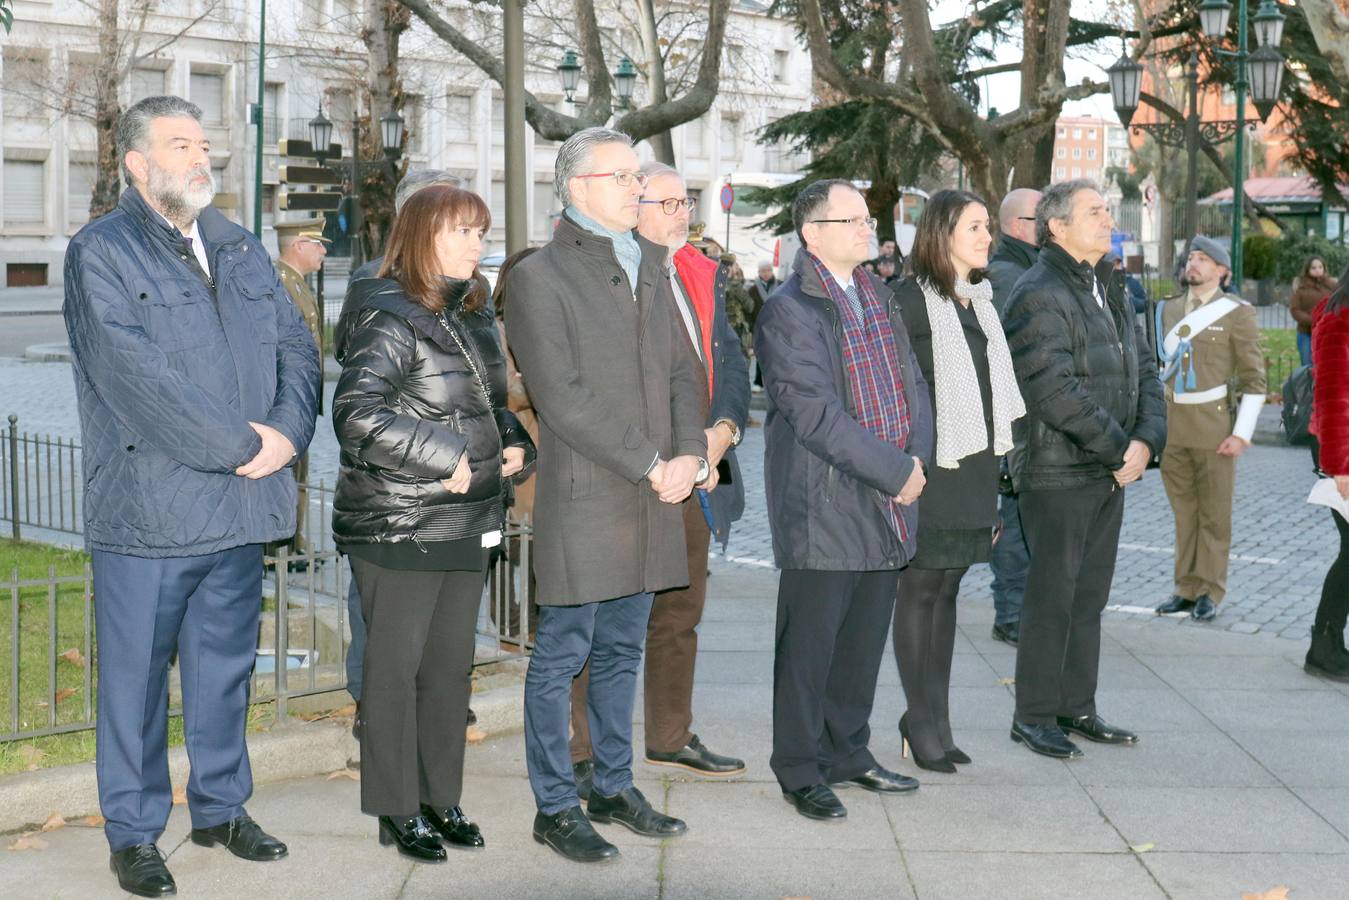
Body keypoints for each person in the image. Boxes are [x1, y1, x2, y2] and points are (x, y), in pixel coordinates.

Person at [62, 95, 319, 897]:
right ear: (139, 164)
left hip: (239, 512)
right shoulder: (99, 252)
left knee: (224, 673)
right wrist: (249, 447)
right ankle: (134, 833)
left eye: (204, 142)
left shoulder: (238, 247)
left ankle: (220, 809)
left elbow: (297, 349)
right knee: (135, 685)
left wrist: (288, 432)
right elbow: (137, 381)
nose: (201, 155)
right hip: (149, 513)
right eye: (182, 143)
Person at [504, 128, 708, 863]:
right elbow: (560, 398)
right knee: (562, 653)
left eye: (634, 176)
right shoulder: (540, 276)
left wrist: (688, 454)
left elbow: (685, 374)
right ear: (577, 188)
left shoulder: (653, 265)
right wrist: (651, 463)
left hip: (655, 491)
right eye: (620, 176)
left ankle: (613, 785)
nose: (636, 187)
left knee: (623, 648)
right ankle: (554, 804)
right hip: (592, 495)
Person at [332, 185, 535, 862]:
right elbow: (356, 414)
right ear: (420, 236)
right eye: (460, 232)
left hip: (470, 517)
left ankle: (439, 796)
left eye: (480, 233)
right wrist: (444, 456)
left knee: (449, 670)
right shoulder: (387, 314)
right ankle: (395, 806)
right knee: (395, 670)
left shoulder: (470, 313)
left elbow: (485, 405)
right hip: (400, 522)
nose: (476, 246)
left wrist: (515, 443)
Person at [568, 161, 750, 796]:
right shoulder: (617, 276)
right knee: (603, 622)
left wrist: (721, 434)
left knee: (681, 611)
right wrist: (656, 459)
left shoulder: (698, 271)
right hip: (633, 472)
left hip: (696, 470)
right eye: (667, 203)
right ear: (632, 207)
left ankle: (669, 736)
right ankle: (583, 752)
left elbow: (727, 359)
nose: (682, 214)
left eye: (686, 202)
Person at [755, 179, 934, 821]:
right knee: (809, 649)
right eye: (851, 219)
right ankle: (801, 767)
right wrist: (895, 470)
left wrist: (916, 460)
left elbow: (913, 385)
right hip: (824, 502)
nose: (867, 228)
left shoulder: (877, 295)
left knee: (861, 643)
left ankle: (849, 752)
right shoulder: (789, 309)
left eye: (866, 218)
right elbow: (814, 414)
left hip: (888, 497)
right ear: (812, 233)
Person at [1002, 179, 1166, 760]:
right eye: (1093, 212)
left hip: (1105, 469)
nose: (1106, 218)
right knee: (1052, 596)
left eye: (1106, 210)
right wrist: (1120, 449)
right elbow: (1052, 388)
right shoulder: (1036, 291)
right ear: (1057, 227)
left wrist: (1147, 441)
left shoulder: (1111, 285)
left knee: (1088, 597)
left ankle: (1076, 705)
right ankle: (1034, 714)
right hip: (1057, 470)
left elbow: (1146, 368)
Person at [890, 190, 1025, 773]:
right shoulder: (909, 300)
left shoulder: (980, 301)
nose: (986, 236)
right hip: (931, 466)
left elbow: (995, 395)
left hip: (972, 465)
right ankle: (919, 721)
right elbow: (900, 392)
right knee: (921, 590)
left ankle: (935, 719)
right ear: (941, 234)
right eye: (975, 226)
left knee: (947, 592)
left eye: (988, 226)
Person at [344, 167, 468, 730]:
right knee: (379, 610)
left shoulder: (464, 289)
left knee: (434, 622)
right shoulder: (378, 283)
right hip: (392, 482)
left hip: (447, 490)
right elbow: (363, 401)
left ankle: (429, 703)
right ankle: (372, 701)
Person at [1153, 236, 1265, 622]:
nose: (1193, 264)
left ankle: (1211, 591)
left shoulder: (1237, 313)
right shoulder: (1166, 311)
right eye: (1191, 258)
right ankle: (1185, 588)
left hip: (1214, 427)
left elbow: (1255, 379)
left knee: (1215, 516)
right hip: (1173, 426)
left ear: (1222, 271)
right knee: (1184, 514)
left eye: (1203, 259)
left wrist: (1242, 432)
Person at [984, 187, 1041, 646]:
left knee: (1019, 513)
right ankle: (1012, 612)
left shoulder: (1020, 269)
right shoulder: (1010, 276)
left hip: (1016, 415)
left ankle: (1016, 609)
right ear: (1019, 225)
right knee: (1016, 515)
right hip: (1014, 419)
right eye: (1043, 217)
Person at [489, 248, 542, 650]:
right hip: (517, 445)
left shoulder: (550, 325)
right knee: (508, 540)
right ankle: (509, 627)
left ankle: (538, 623)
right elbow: (506, 390)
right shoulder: (499, 328)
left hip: (549, 446)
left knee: (542, 540)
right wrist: (543, 382)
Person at [273, 220, 328, 556]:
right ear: (298, 246)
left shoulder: (295, 283)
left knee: (300, 472)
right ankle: (281, 544)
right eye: (318, 244)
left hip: (300, 399)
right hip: (288, 399)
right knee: (287, 473)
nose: (323, 251)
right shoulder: (280, 284)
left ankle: (293, 539)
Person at [1306, 270, 1349, 678]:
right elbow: (1332, 395)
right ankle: (1324, 644)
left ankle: (1328, 640)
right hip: (1342, 451)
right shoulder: (1338, 316)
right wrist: (1339, 467)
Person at [1291, 256, 1338, 367]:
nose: (1317, 270)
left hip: (1327, 332)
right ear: (1308, 270)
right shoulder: (1300, 287)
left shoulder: (1332, 286)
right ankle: (1308, 385)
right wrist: (1312, 320)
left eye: (1320, 267)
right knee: (1307, 365)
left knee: (1326, 365)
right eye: (1314, 267)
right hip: (1306, 332)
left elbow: (1338, 304)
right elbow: (1295, 309)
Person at [747, 260, 780, 391]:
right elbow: (749, 311)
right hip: (760, 327)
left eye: (768, 270)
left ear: (772, 271)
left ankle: (776, 382)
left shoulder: (781, 285)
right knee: (761, 356)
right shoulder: (752, 289)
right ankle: (758, 382)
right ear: (758, 272)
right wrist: (751, 327)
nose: (766, 273)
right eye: (763, 271)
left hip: (778, 328)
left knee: (778, 356)